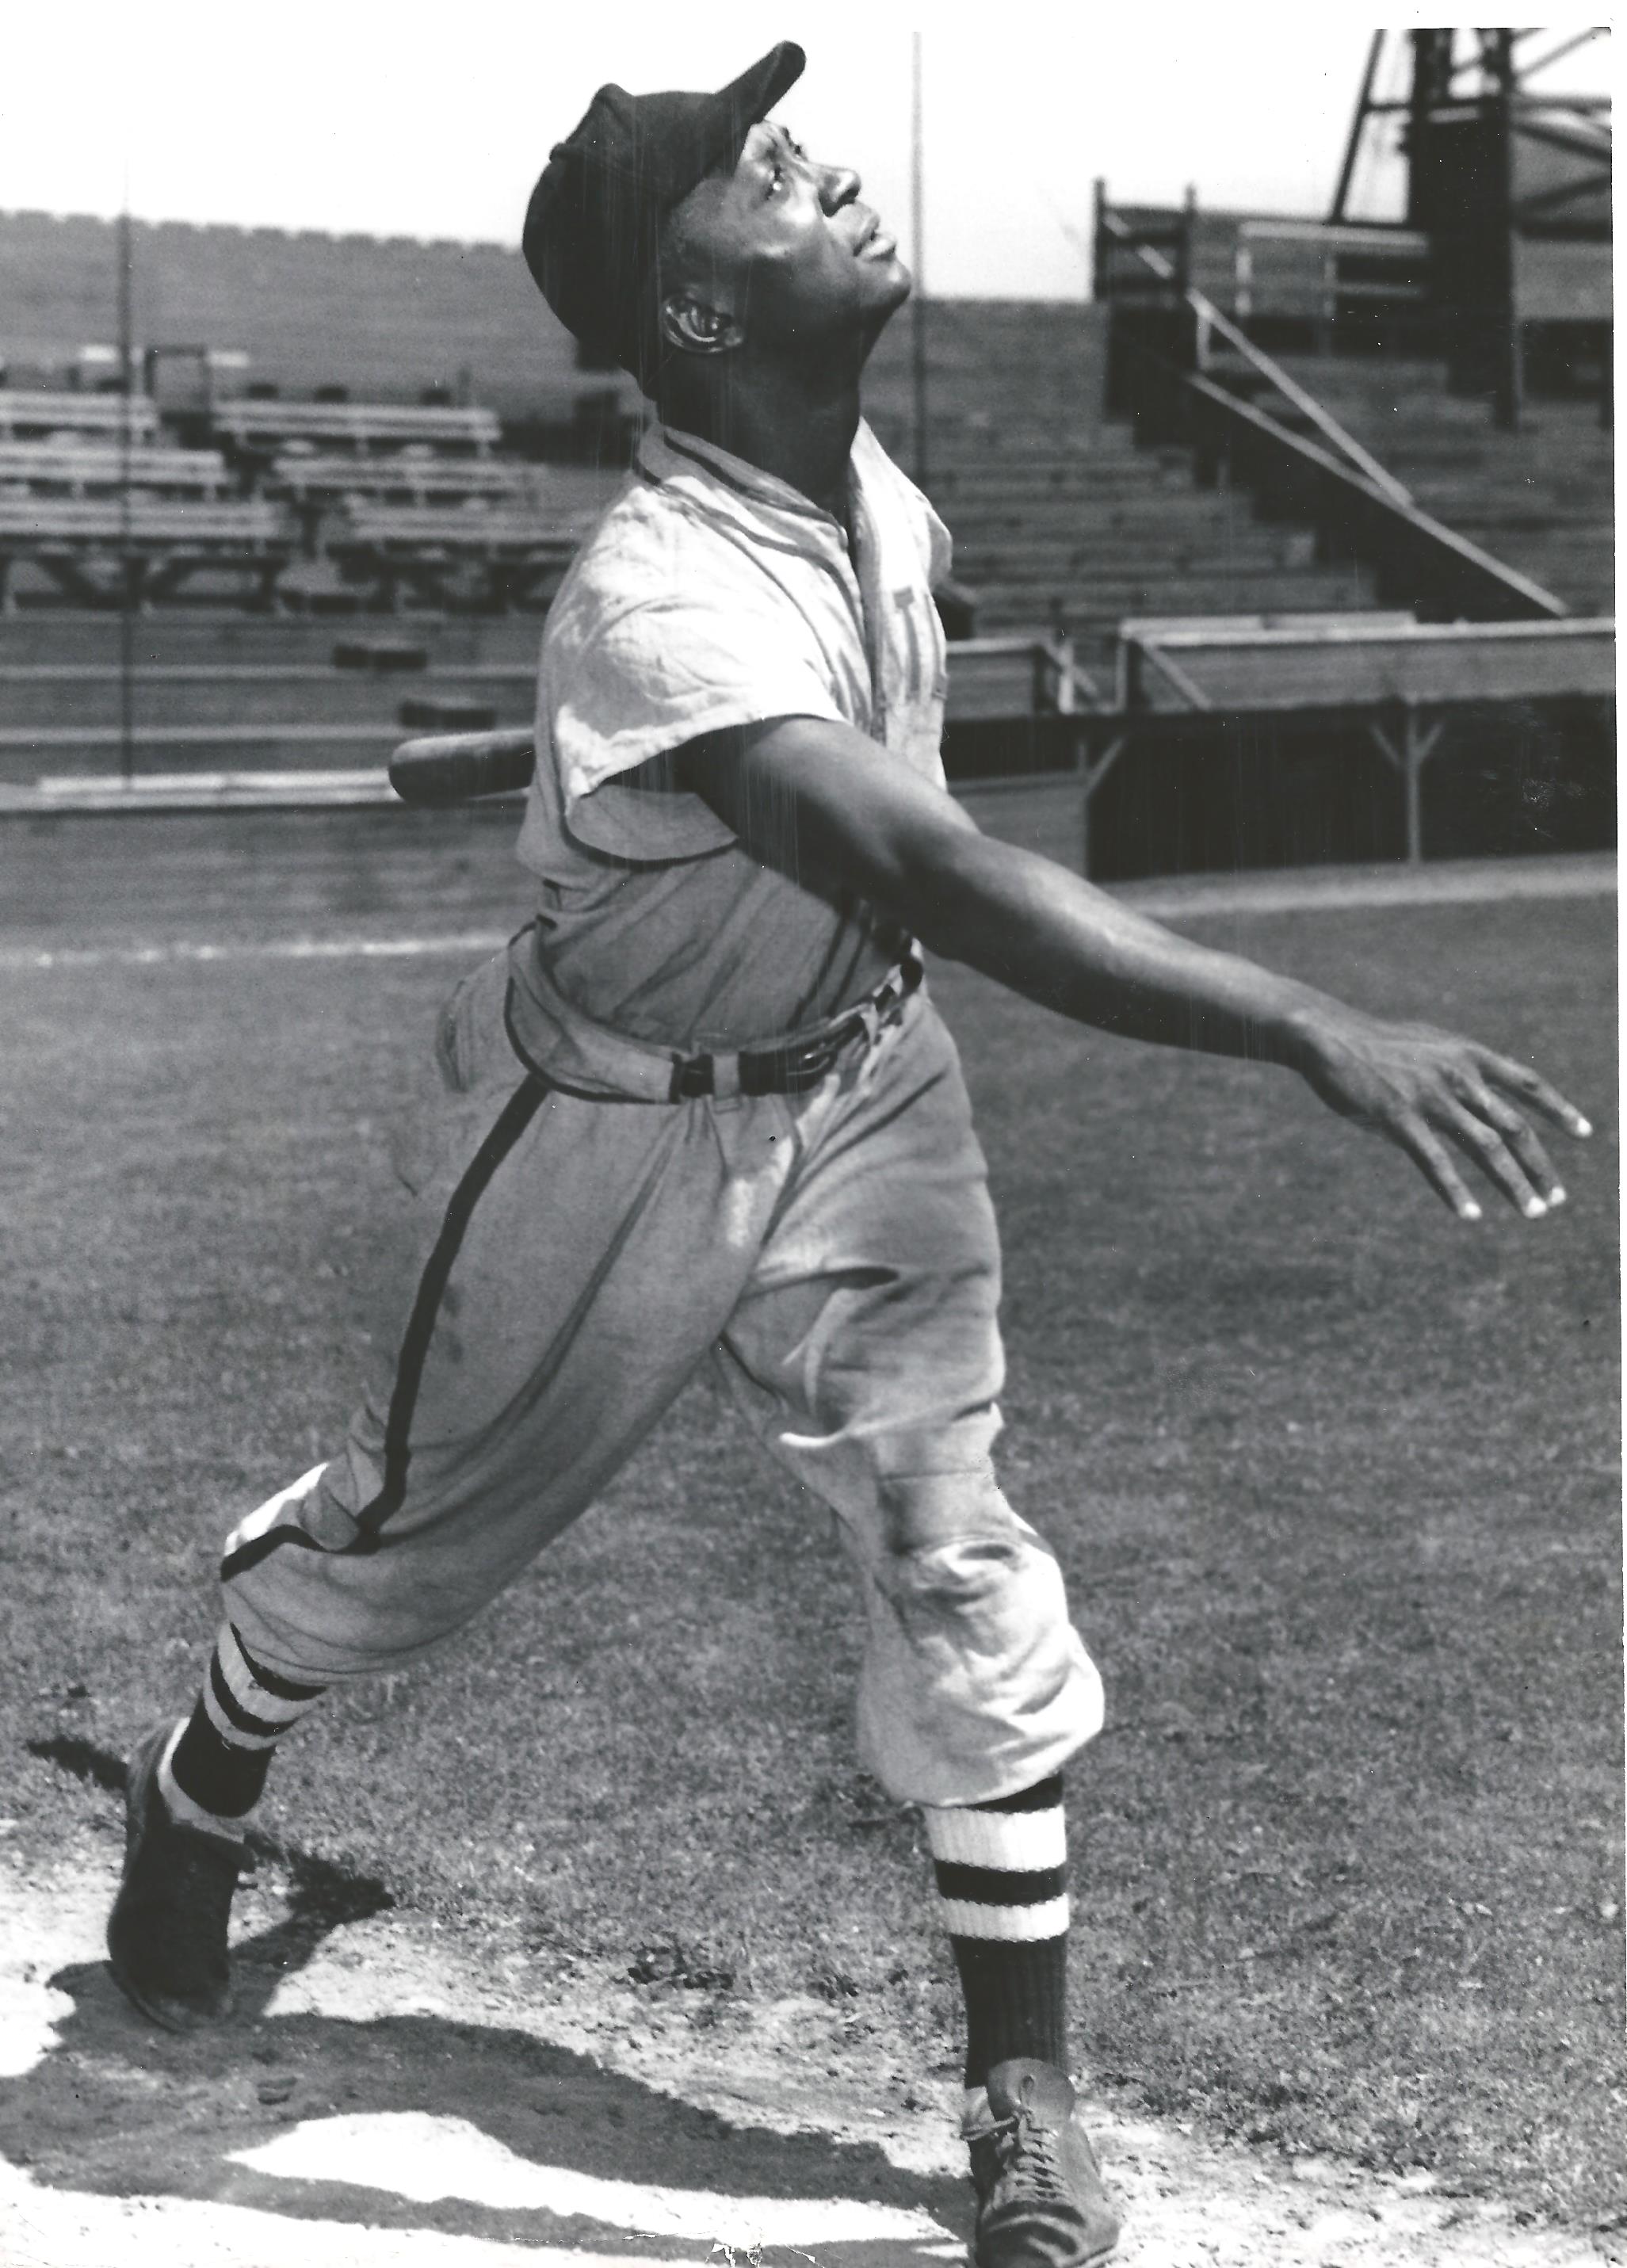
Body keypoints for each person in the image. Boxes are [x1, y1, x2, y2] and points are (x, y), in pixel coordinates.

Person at [106, 44, 1590, 2268]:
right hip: (604, 1127)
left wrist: (593, 762)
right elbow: (932, 854)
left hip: (860, 1090)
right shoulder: (652, 595)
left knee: (955, 1540)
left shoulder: (876, 496)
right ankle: (208, 1766)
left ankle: (1021, 2085)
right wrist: (1307, 1018)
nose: (815, 169)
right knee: (403, 1555)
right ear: (695, 319)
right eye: (758, 179)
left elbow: (843, 815)